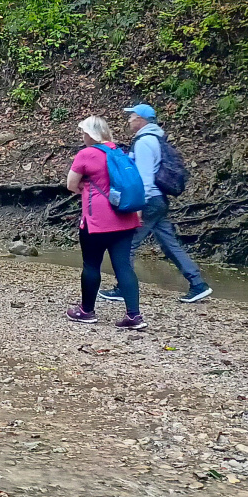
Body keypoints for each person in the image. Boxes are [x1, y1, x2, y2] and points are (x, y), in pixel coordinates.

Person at [122, 103, 211, 304]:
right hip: (159, 200)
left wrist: (138, 207)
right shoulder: (156, 139)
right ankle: (198, 284)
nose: (129, 120)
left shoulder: (144, 143)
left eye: (132, 116)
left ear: (141, 120)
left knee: (127, 244)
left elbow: (144, 179)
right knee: (169, 244)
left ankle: (123, 287)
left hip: (149, 202)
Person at [65, 116, 145, 329]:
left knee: (91, 265)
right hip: (126, 218)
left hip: (96, 220)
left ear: (90, 134)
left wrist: (85, 186)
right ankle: (134, 316)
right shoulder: (119, 152)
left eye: (83, 133)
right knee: (124, 267)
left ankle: (86, 311)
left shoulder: (86, 154)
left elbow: (71, 184)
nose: (82, 136)